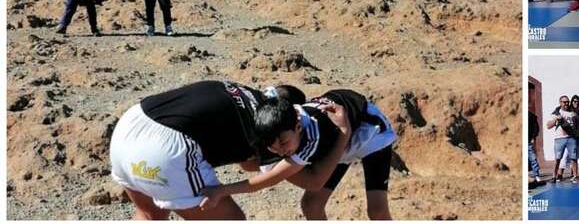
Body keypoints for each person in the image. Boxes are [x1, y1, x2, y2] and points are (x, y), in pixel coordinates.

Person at [110, 81, 350, 220]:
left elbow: (244, 161)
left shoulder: (244, 93)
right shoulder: (271, 128)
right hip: (165, 150)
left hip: (127, 128)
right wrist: (343, 135)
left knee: (150, 216)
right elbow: (310, 182)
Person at [199, 89, 397, 220]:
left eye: (284, 143)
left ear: (298, 126)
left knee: (377, 210)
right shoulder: (274, 130)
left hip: (369, 132)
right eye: (272, 147)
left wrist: (344, 132)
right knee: (312, 205)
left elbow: (311, 182)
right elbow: (251, 166)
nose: (280, 151)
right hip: (335, 141)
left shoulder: (313, 135)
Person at [547, 95, 579, 183]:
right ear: (560, 103)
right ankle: (554, 176)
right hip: (559, 138)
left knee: (573, 157)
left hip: (571, 138)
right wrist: (556, 119)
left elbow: (577, 126)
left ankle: (575, 176)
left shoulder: (572, 113)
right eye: (564, 102)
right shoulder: (556, 113)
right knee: (557, 158)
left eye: (567, 102)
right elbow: (548, 126)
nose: (566, 104)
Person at [529, 110, 542, 183]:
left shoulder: (531, 115)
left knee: (533, 159)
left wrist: (533, 137)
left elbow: (536, 127)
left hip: (528, 141)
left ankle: (537, 175)